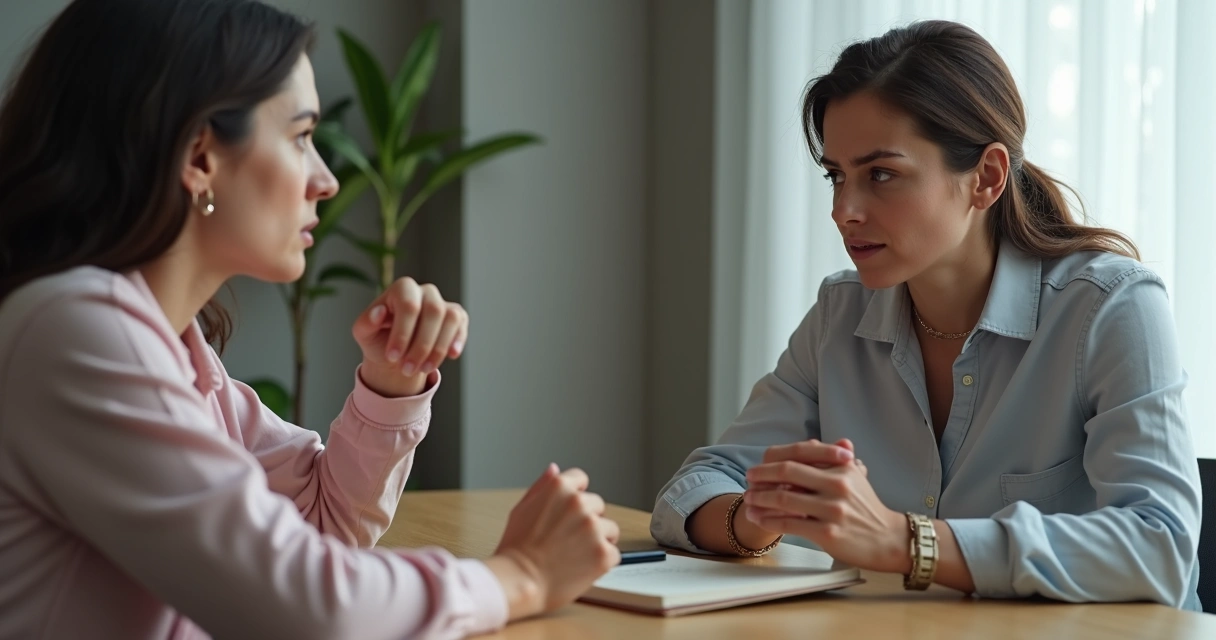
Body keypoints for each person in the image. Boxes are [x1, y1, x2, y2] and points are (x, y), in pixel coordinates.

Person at [0, 1, 619, 638]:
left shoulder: (170, 352)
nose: (325, 179)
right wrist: (524, 576)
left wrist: (390, 382)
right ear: (200, 157)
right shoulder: (75, 333)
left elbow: (315, 531)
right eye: (300, 137)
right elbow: (310, 606)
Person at [651, 20, 1202, 610]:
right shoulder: (840, 314)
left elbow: (1160, 547)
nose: (843, 210)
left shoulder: (1110, 306)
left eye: (880, 174)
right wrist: (754, 517)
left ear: (986, 177)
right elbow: (692, 490)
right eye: (837, 176)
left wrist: (904, 542)